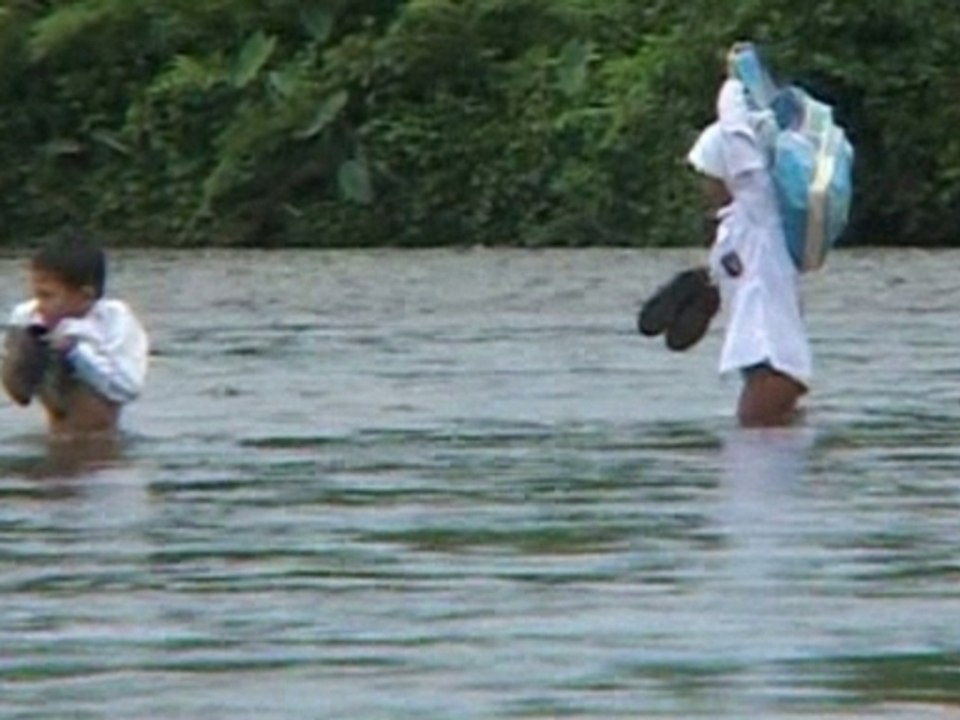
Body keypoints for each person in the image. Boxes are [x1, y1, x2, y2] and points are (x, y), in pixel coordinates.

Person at [686, 56, 812, 428]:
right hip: (762, 363)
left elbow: (738, 139)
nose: (704, 185)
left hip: (774, 363)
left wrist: (733, 83)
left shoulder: (761, 212)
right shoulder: (738, 226)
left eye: (708, 174)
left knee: (755, 469)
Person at [2, 230, 149, 436]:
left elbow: (127, 388)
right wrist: (22, 349)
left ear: (85, 296)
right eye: (36, 294)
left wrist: (75, 352)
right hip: (55, 435)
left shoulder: (115, 320)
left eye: (47, 296)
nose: (39, 306)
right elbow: (19, 394)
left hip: (100, 441)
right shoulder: (28, 315)